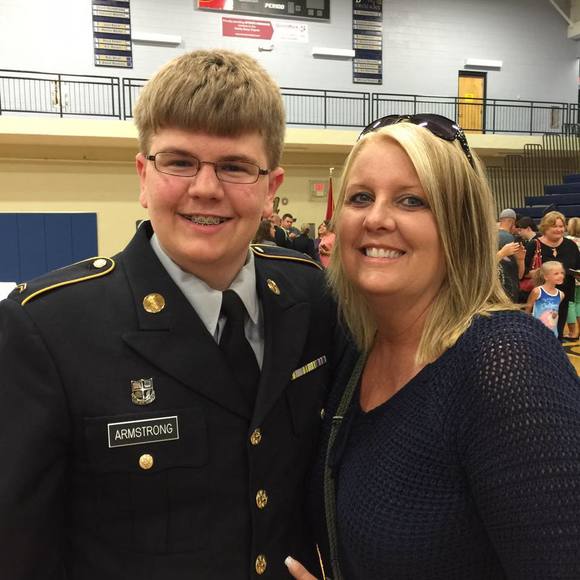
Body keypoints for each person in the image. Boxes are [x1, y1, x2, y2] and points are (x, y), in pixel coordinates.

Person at [0, 49, 338, 579]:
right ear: (143, 175)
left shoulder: (310, 297)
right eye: (179, 162)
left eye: (234, 166)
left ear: (271, 189)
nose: (205, 188)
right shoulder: (48, 329)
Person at [285, 114, 580, 580]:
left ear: (459, 225)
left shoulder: (508, 362)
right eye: (361, 197)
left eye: (411, 200)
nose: (376, 218)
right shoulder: (356, 348)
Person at [525, 210, 580, 340]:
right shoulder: (534, 244)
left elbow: (577, 266)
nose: (559, 229)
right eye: (554, 226)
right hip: (541, 297)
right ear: (545, 227)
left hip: (563, 295)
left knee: (558, 332)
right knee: (540, 332)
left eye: (561, 226)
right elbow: (524, 271)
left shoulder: (570, 245)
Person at [525, 261, 565, 337]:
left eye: (562, 273)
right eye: (556, 274)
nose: (560, 276)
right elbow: (528, 309)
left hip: (552, 333)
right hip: (537, 332)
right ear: (546, 277)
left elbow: (555, 310)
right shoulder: (537, 291)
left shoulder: (561, 294)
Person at [564, 216, 580, 340]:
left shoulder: (566, 241)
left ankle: (573, 331)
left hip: (571, 275)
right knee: (579, 302)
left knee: (570, 303)